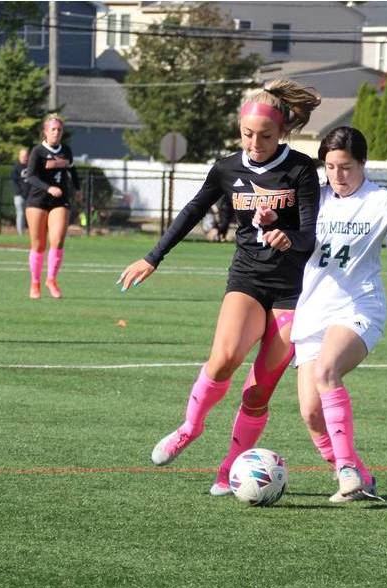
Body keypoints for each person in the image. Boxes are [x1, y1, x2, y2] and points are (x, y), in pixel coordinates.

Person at [117, 79, 322, 496]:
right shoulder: (227, 168)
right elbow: (192, 211)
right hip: (247, 279)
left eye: (265, 136)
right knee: (224, 359)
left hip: (294, 291)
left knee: (259, 391)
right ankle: (189, 428)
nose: (255, 143)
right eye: (247, 134)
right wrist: (153, 256)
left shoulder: (301, 169)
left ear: (282, 132)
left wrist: (286, 235)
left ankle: (230, 468)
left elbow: (309, 235)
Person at [290, 126, 387, 502]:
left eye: (346, 167)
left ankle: (345, 472)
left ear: (362, 163)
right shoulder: (314, 198)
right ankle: (361, 477)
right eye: (330, 167)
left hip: (359, 307)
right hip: (312, 312)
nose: (337, 175)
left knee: (327, 371)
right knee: (311, 414)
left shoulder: (380, 201)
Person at [24, 115, 74, 299]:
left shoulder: (66, 150)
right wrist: (48, 188)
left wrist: (77, 189)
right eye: (52, 129)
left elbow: (71, 170)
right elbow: (30, 176)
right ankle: (35, 283)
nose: (56, 132)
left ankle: (51, 279)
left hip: (59, 201)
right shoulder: (37, 151)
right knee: (38, 244)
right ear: (45, 131)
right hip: (38, 201)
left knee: (58, 240)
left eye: (59, 129)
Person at [11, 148, 30, 235]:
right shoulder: (16, 167)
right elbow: (14, 182)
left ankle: (32, 232)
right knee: (20, 213)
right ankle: (20, 233)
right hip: (19, 195)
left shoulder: (31, 166)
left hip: (30, 195)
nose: (24, 158)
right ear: (19, 156)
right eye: (23, 156)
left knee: (31, 214)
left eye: (26, 156)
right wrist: (21, 192)